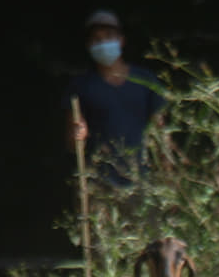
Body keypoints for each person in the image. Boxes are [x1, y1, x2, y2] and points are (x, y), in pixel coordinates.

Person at [66, 10, 166, 187]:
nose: (103, 42)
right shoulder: (81, 87)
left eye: (109, 36)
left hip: (144, 182)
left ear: (121, 39)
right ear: (89, 45)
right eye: (97, 39)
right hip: (100, 183)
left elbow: (162, 133)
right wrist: (77, 135)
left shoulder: (145, 80)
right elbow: (72, 142)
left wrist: (168, 176)